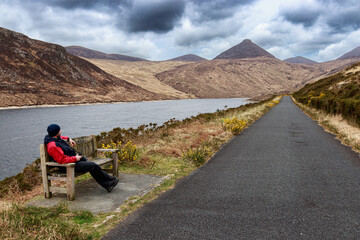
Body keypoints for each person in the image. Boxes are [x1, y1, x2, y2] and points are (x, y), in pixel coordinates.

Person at [44, 124, 119, 192]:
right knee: (92, 166)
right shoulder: (53, 146)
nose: (60, 131)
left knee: (92, 165)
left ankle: (110, 181)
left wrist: (69, 139)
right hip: (67, 166)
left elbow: (62, 137)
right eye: (59, 130)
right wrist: (75, 158)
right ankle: (109, 183)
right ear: (56, 132)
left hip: (72, 162)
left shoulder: (54, 138)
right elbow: (61, 160)